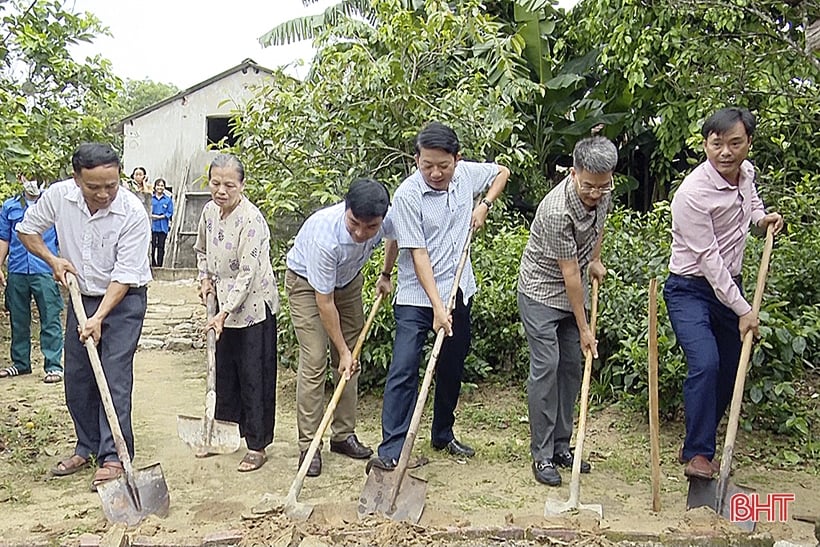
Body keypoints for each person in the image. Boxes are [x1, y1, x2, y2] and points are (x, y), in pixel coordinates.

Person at [367, 122, 510, 472]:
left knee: (451, 365)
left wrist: (484, 205)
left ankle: (443, 433)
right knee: (404, 366)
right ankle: (392, 447)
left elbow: (502, 172)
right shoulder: (407, 196)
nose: (434, 172)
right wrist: (436, 307)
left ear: (457, 160)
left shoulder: (466, 177)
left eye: (442, 166)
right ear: (416, 159)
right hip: (417, 295)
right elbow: (418, 256)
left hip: (459, 288)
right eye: (426, 164)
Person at [16, 143, 152, 491]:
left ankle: (114, 457)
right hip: (81, 297)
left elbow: (124, 275)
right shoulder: (60, 197)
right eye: (95, 187)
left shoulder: (132, 212)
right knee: (77, 377)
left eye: (112, 185)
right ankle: (87, 446)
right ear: (77, 179)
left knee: (113, 374)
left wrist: (100, 318)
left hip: (124, 301)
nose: (104, 193)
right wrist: (54, 260)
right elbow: (27, 230)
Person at [663, 107, 783, 480]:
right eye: (717, 144)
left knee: (730, 369)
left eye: (735, 143)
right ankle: (699, 454)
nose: (725, 152)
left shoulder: (747, 174)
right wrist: (745, 309)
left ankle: (695, 441)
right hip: (690, 289)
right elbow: (710, 262)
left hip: (731, 287)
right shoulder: (692, 195)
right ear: (705, 145)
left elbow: (750, 206)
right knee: (705, 363)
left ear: (748, 143)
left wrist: (761, 219)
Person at [517, 136, 618, 486]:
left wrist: (596, 259)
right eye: (589, 186)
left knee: (572, 368)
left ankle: (562, 445)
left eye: (602, 186)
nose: (595, 193)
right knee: (547, 367)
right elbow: (569, 275)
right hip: (542, 290)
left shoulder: (603, 191)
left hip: (573, 283)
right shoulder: (556, 210)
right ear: (573, 173)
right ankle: (542, 455)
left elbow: (598, 228)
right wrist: (586, 326)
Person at [285, 178, 390, 477]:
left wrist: (385, 273)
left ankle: (343, 435)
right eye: (354, 223)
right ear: (346, 209)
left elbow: (393, 237)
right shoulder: (325, 237)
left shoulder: (386, 219)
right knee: (317, 358)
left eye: (370, 228)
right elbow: (324, 302)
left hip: (348, 282)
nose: (360, 233)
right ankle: (309, 444)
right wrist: (341, 350)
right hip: (308, 285)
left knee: (350, 362)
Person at [194, 153, 279, 472]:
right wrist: (204, 280)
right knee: (223, 373)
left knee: (253, 374)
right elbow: (201, 250)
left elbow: (248, 273)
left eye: (229, 185)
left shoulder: (251, 220)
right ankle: (223, 434)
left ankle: (257, 444)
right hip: (219, 302)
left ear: (242, 185)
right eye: (216, 183)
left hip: (252, 305)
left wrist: (224, 312)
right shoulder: (207, 212)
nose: (222, 191)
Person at [0, 177, 64, 383]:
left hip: (45, 270)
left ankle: (53, 365)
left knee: (50, 318)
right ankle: (20, 364)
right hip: (17, 270)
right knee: (18, 319)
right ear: (20, 179)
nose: (33, 182)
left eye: (38, 177)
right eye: (28, 177)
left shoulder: (52, 205)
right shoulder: (10, 206)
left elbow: (63, 237)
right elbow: (4, 238)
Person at [150, 178, 173, 267]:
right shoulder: (151, 198)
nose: (160, 187)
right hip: (153, 226)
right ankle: (153, 264)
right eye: (158, 185)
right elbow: (147, 210)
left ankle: (160, 265)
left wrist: (160, 217)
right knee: (152, 247)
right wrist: (153, 216)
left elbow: (169, 212)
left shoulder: (167, 200)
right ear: (155, 187)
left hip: (163, 226)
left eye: (162, 185)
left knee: (161, 246)